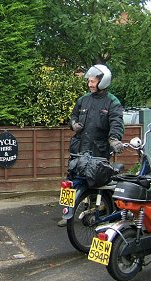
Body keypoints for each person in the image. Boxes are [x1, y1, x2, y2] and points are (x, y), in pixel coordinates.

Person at [58, 64, 124, 227]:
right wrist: (73, 124)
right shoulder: (83, 99)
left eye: (93, 81)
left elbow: (116, 122)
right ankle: (67, 214)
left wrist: (114, 139)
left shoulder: (112, 102)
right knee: (71, 182)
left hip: (98, 149)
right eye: (89, 81)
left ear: (103, 81)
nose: (90, 84)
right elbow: (72, 116)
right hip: (79, 150)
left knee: (96, 182)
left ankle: (96, 211)